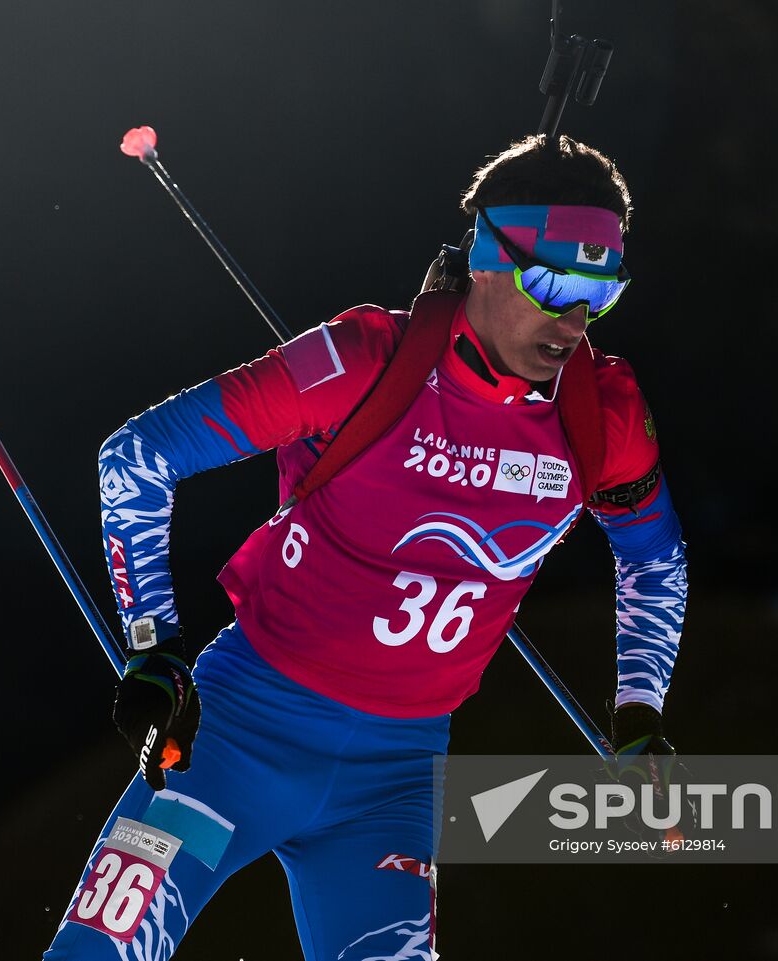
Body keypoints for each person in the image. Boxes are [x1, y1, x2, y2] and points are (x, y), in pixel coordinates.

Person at [43, 134, 688, 961]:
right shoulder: (364, 358)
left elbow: (653, 556)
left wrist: (639, 711)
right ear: (489, 259)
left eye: (601, 293)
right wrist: (153, 648)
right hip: (232, 744)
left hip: (394, 785)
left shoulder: (605, 410)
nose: (573, 320)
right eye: (554, 282)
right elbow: (138, 456)